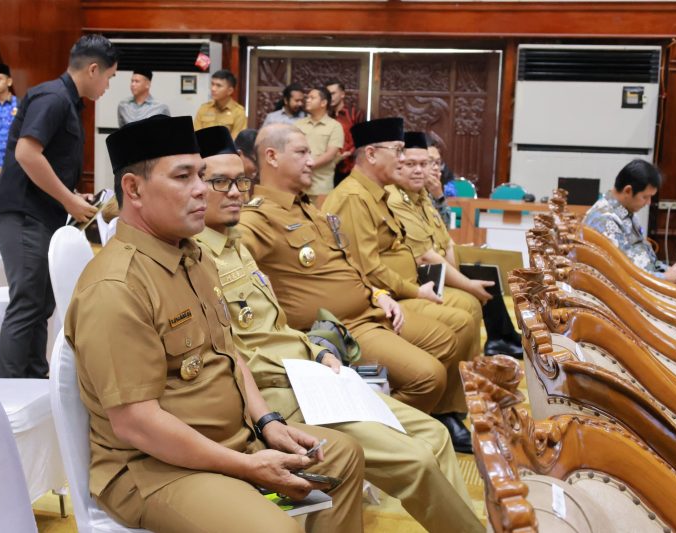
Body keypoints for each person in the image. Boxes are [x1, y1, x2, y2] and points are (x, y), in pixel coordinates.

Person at [66, 115, 364, 533]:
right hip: (156, 470)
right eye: (184, 176)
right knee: (275, 530)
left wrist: (268, 423)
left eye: (202, 175)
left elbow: (229, 353)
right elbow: (136, 423)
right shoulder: (116, 286)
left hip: (232, 438)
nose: (202, 190)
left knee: (344, 455)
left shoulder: (193, 255)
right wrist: (247, 466)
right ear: (133, 189)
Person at [194, 125, 482, 532]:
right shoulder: (203, 253)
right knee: (416, 458)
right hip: (283, 388)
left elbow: (284, 316)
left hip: (313, 367)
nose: (236, 192)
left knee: (433, 435)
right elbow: (233, 352)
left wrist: (319, 349)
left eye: (240, 180)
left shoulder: (238, 239)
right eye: (219, 182)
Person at [238, 124, 463, 436]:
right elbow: (224, 257)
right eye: (302, 152)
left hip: (369, 309)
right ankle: (384, 436)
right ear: (272, 157)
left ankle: (395, 423)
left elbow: (347, 264)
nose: (311, 160)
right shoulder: (257, 218)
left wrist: (376, 294)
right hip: (340, 327)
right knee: (429, 376)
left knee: (446, 339)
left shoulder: (308, 209)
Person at [323, 119, 478, 451]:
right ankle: (394, 431)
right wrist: (413, 290)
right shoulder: (354, 197)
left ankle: (441, 413)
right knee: (450, 334)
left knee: (463, 316)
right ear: (372, 153)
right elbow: (367, 267)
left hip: (392, 293)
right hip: (375, 301)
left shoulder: (374, 195)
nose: (402, 158)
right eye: (397, 151)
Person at [0, 34, 118, 378]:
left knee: (41, 302)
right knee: (28, 300)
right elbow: (27, 154)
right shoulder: (54, 97)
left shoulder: (69, 102)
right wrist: (68, 199)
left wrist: (75, 195)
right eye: (109, 77)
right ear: (93, 69)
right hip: (22, 212)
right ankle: (10, 388)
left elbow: (50, 162)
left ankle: (34, 377)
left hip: (40, 213)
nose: (107, 85)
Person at [388, 132, 523, 358]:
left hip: (436, 270)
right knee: (470, 301)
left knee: (485, 271)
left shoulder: (422, 195)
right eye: (412, 164)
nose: (421, 170)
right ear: (398, 164)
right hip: (416, 278)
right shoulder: (395, 199)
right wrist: (466, 284)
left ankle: (494, 347)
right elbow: (425, 257)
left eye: (427, 164)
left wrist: (463, 279)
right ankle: (472, 366)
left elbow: (446, 240)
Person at [584, 159, 676, 283]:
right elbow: (620, 274)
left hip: (645, 281)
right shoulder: (605, 220)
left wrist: (671, 271)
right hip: (631, 290)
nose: (649, 202)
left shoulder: (625, 211)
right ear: (628, 190)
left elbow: (643, 257)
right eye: (645, 197)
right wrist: (666, 277)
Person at [295, 86, 343, 205]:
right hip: (298, 185)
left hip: (321, 187)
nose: (308, 100)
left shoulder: (335, 126)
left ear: (323, 103)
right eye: (308, 97)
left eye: (312, 97)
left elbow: (330, 154)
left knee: (320, 221)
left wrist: (308, 165)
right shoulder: (298, 124)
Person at [326, 79, 363, 187]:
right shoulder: (325, 115)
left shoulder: (354, 114)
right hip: (328, 166)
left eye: (333, 93)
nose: (330, 97)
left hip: (350, 166)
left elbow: (362, 139)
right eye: (328, 94)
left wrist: (350, 153)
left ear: (342, 94)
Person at [194, 69, 246, 137]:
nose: (213, 89)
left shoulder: (238, 112)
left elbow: (236, 141)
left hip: (226, 147)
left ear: (230, 90)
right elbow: (196, 135)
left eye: (218, 86)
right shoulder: (204, 108)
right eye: (212, 84)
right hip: (203, 147)